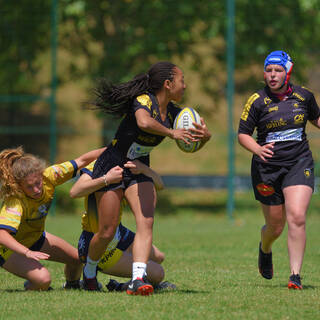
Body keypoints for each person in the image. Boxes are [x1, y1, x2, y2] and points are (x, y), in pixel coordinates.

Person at [83, 61, 211, 294]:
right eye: (182, 81)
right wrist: (172, 132)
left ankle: (137, 279)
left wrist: (205, 136)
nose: (185, 85)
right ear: (168, 83)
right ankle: (89, 272)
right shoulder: (144, 101)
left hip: (139, 167)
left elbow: (189, 144)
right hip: (112, 163)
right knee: (107, 230)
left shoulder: (174, 112)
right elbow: (143, 122)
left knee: (146, 221)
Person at [238, 50, 320, 290]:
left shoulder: (304, 96)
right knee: (275, 226)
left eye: (278, 70)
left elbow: (317, 118)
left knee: (297, 216)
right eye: (268, 70)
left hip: (299, 162)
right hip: (267, 169)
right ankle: (265, 248)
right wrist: (257, 149)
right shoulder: (256, 100)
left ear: (288, 72)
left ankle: (295, 275)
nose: (272, 75)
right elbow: (243, 134)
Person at [0, 146, 105, 290]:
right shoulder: (15, 201)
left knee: (78, 258)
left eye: (37, 183)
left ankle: (72, 285)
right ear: (19, 186)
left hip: (35, 239)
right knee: (43, 280)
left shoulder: (50, 175)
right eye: (29, 187)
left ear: (41, 174)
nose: (36, 190)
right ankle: (34, 285)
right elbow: (2, 234)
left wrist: (114, 149)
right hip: (7, 249)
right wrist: (27, 252)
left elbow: (82, 160)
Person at [70, 159, 176, 293]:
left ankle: (123, 284)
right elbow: (75, 192)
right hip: (96, 240)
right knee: (158, 273)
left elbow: (160, 185)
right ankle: (95, 274)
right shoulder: (101, 163)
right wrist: (106, 179)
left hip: (119, 233)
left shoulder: (131, 164)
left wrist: (144, 169)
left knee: (159, 257)